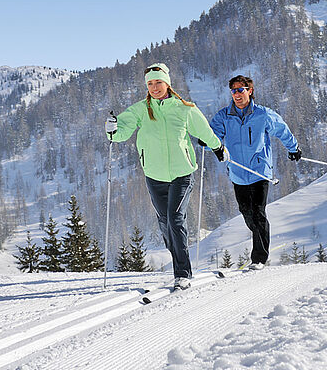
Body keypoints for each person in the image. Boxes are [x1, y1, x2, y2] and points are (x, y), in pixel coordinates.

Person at [105, 63, 226, 290]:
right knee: (164, 222)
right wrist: (111, 129)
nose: (154, 87)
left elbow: (204, 132)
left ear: (167, 83)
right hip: (154, 175)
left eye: (158, 82)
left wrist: (218, 148)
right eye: (150, 83)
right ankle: (178, 256)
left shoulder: (184, 108)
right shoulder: (141, 109)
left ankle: (182, 273)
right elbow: (120, 134)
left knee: (175, 218)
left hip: (182, 173)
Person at [208, 75, 301, 270]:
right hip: (238, 173)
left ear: (250, 91)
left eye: (241, 90)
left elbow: (282, 130)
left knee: (258, 212)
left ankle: (259, 258)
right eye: (233, 91)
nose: (237, 94)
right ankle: (262, 237)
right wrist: (206, 143)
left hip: (260, 171)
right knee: (246, 212)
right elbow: (212, 136)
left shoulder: (263, 115)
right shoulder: (224, 116)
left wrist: (293, 148)